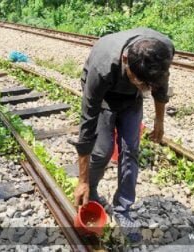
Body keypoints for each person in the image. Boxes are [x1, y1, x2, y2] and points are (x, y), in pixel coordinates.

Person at [70, 28, 174, 242]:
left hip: (131, 100)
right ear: (126, 60)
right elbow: (87, 124)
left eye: (148, 85)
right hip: (105, 95)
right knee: (102, 151)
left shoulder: (162, 51)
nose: (146, 88)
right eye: (140, 82)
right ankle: (92, 189)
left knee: (130, 151)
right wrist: (82, 180)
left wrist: (159, 121)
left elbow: (160, 87)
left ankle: (123, 208)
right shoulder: (102, 67)